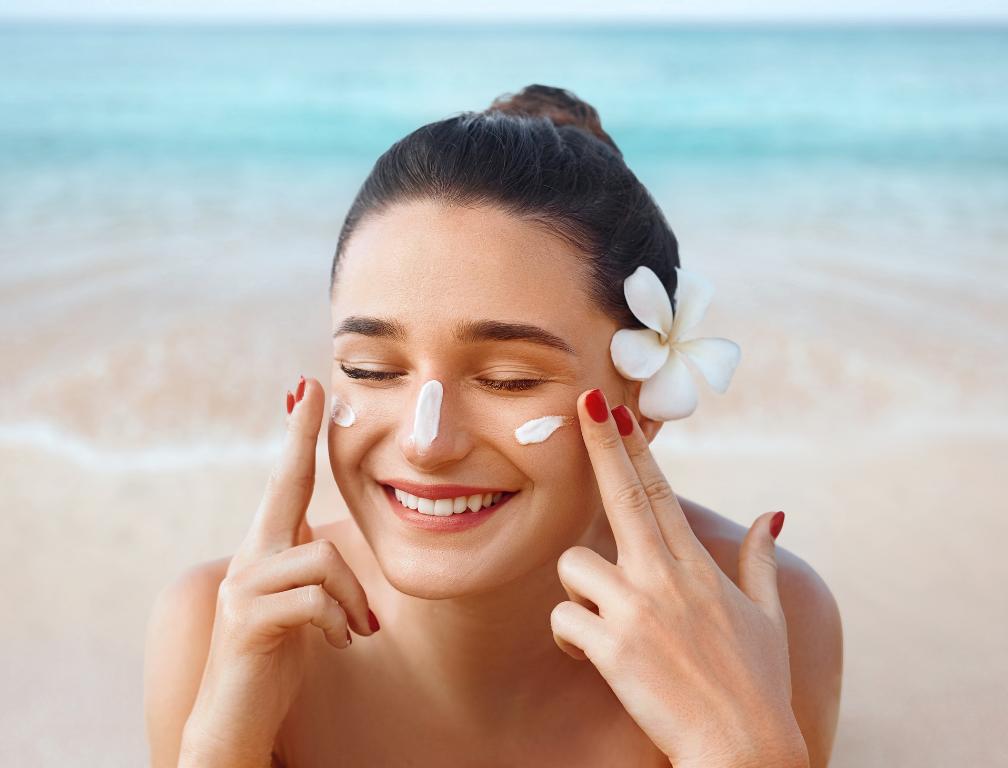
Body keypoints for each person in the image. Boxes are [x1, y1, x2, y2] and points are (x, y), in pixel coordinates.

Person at [144, 84, 843, 767]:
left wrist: (743, 748)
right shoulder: (220, 631)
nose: (426, 441)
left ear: (641, 400)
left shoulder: (755, 627)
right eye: (372, 368)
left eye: (509, 379)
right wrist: (221, 749)